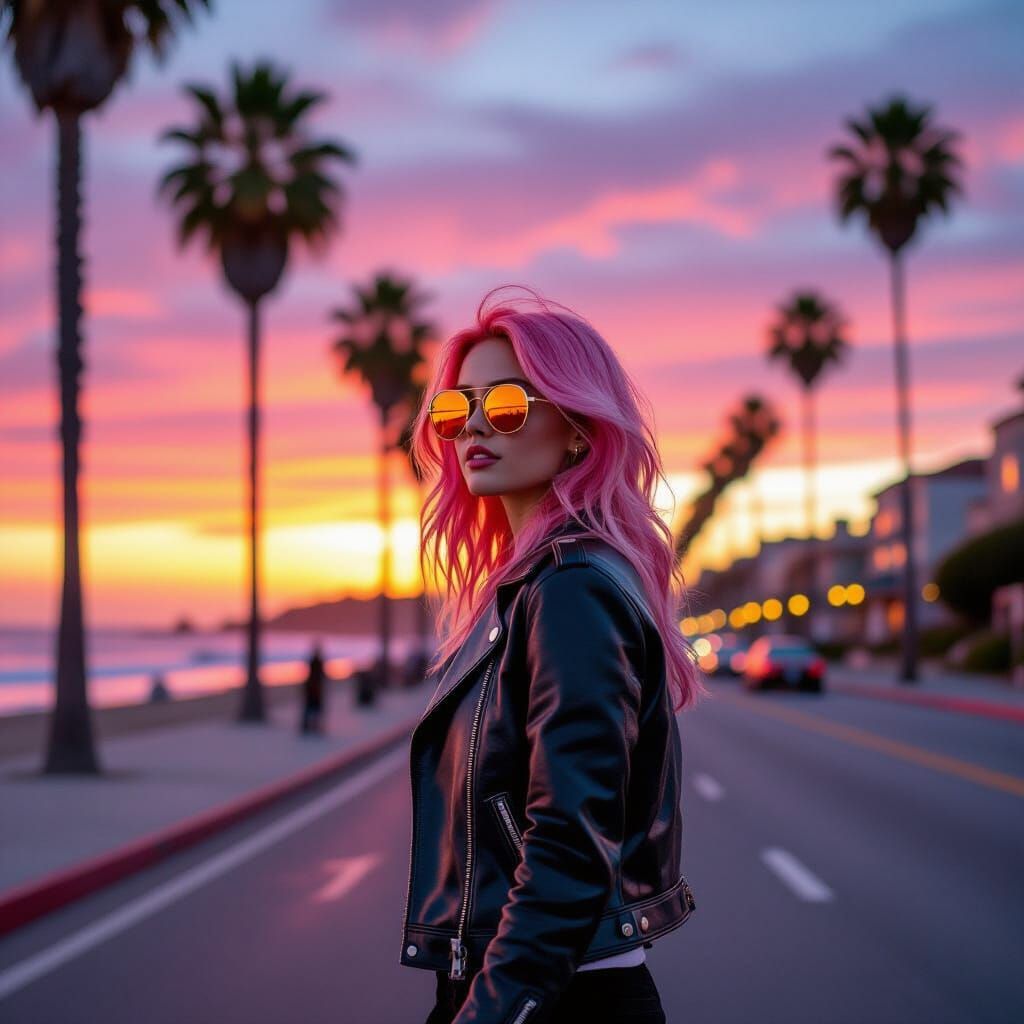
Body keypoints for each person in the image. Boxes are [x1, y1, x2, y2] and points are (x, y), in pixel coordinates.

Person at [400, 285, 706, 1023]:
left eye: (504, 405)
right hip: (534, 977)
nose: (474, 424)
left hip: (557, 990)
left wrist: (491, 1011)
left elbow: (570, 840)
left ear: (576, 428)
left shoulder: (570, 589)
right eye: (456, 408)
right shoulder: (536, 584)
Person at [300, 641, 326, 734]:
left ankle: (309, 727)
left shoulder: (314, 661)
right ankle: (311, 727)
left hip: (313, 688)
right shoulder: (317, 662)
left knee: (311, 709)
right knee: (313, 709)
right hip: (314, 688)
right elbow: (321, 676)